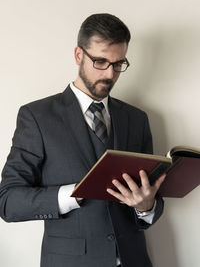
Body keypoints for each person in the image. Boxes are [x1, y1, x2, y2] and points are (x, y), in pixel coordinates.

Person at [0, 13, 166, 267]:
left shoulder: (137, 119)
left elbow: (149, 204)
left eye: (119, 63)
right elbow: (8, 202)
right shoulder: (36, 117)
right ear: (79, 55)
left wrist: (147, 206)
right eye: (100, 61)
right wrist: (73, 195)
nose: (110, 74)